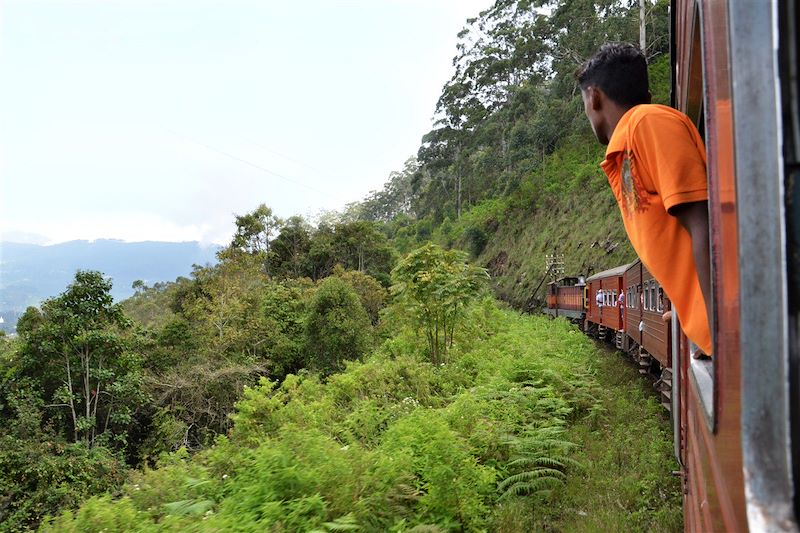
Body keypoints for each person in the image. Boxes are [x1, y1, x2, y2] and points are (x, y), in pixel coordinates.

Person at [575, 42, 712, 356]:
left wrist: (721, 328)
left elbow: (703, 224)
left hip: (729, 337)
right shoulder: (629, 146)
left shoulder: (647, 124)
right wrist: (690, 311)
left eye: (584, 103)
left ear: (594, 97)